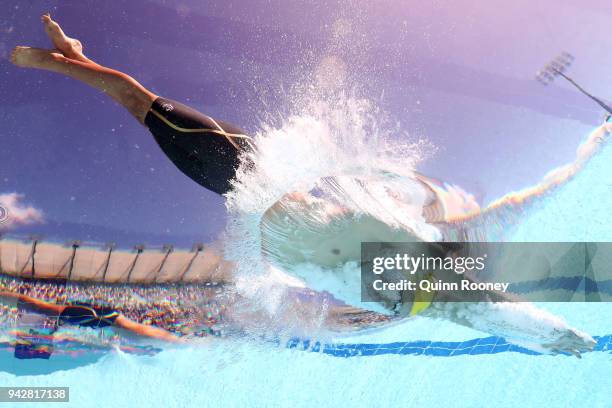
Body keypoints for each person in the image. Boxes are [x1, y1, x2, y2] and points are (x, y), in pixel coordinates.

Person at [11, 15, 604, 356]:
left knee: (147, 107)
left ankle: (67, 62)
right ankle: (70, 61)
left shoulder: (253, 184)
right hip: (380, 272)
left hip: (381, 268)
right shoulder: (262, 195)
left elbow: (141, 104)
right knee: (482, 283)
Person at [11, 14, 253, 196]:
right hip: (244, 162)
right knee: (139, 101)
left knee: (142, 114)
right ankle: (56, 62)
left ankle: (76, 56)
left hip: (227, 186)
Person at [0, 291, 181, 343]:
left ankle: (180, 342)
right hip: (95, 316)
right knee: (39, 308)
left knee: (39, 308)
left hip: (95, 316)